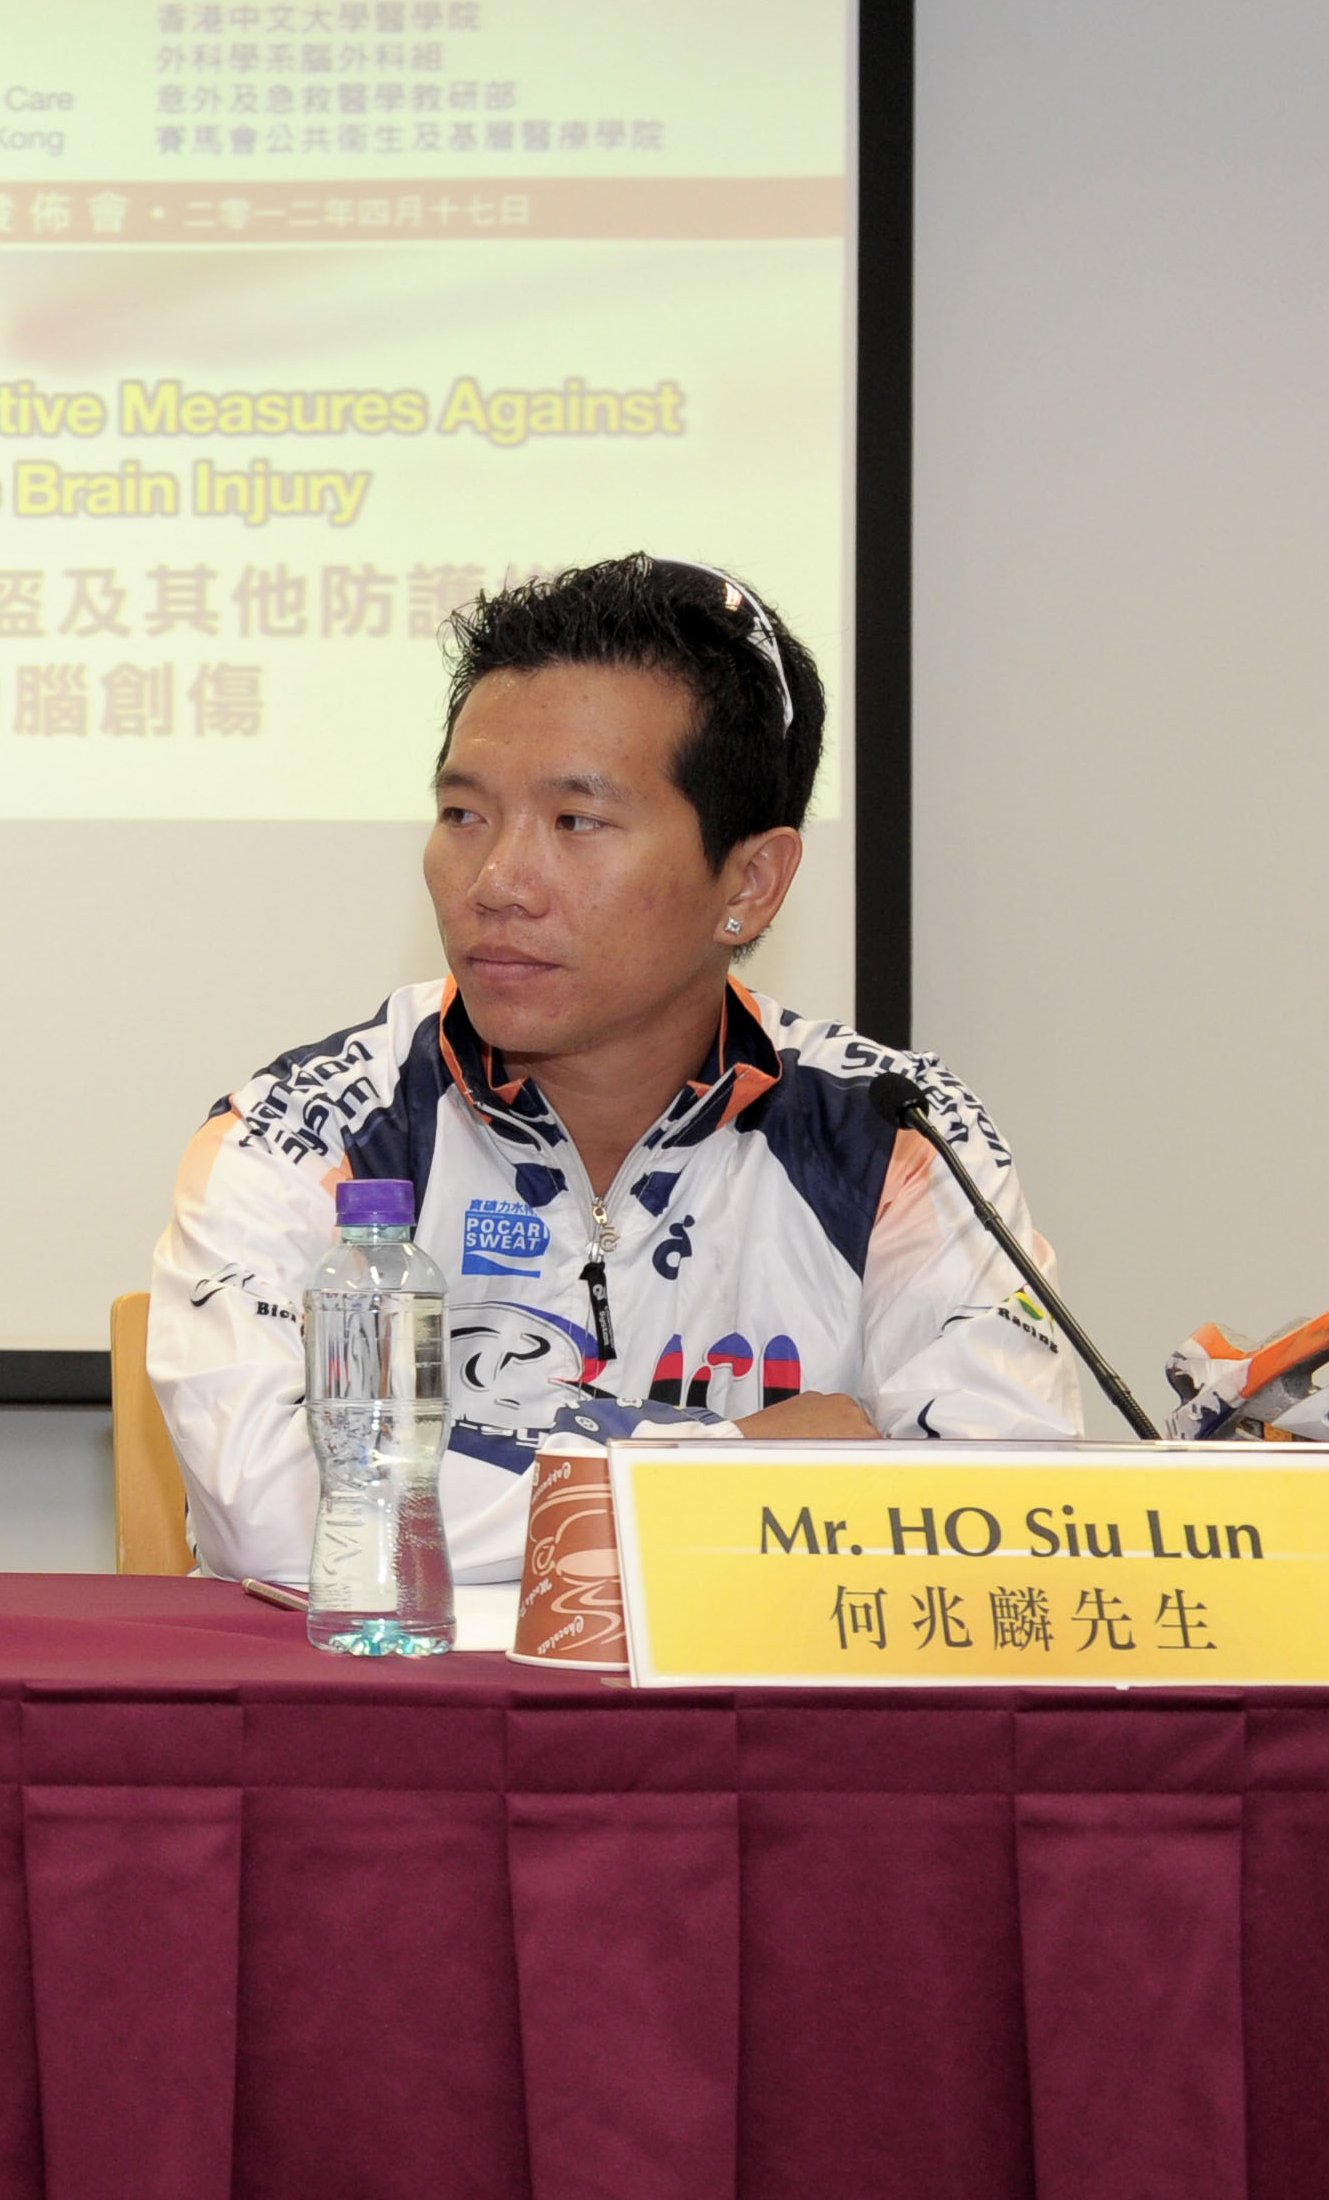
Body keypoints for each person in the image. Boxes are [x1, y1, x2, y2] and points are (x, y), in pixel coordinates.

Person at [149, 553, 1084, 1591]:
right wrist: (740, 1462)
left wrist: (499, 1497)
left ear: (750, 880)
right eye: (463, 814)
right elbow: (279, 1524)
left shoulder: (892, 1137)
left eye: (574, 823)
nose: (495, 882)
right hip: (401, 1739)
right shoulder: (305, 1133)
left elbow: (1007, 1503)